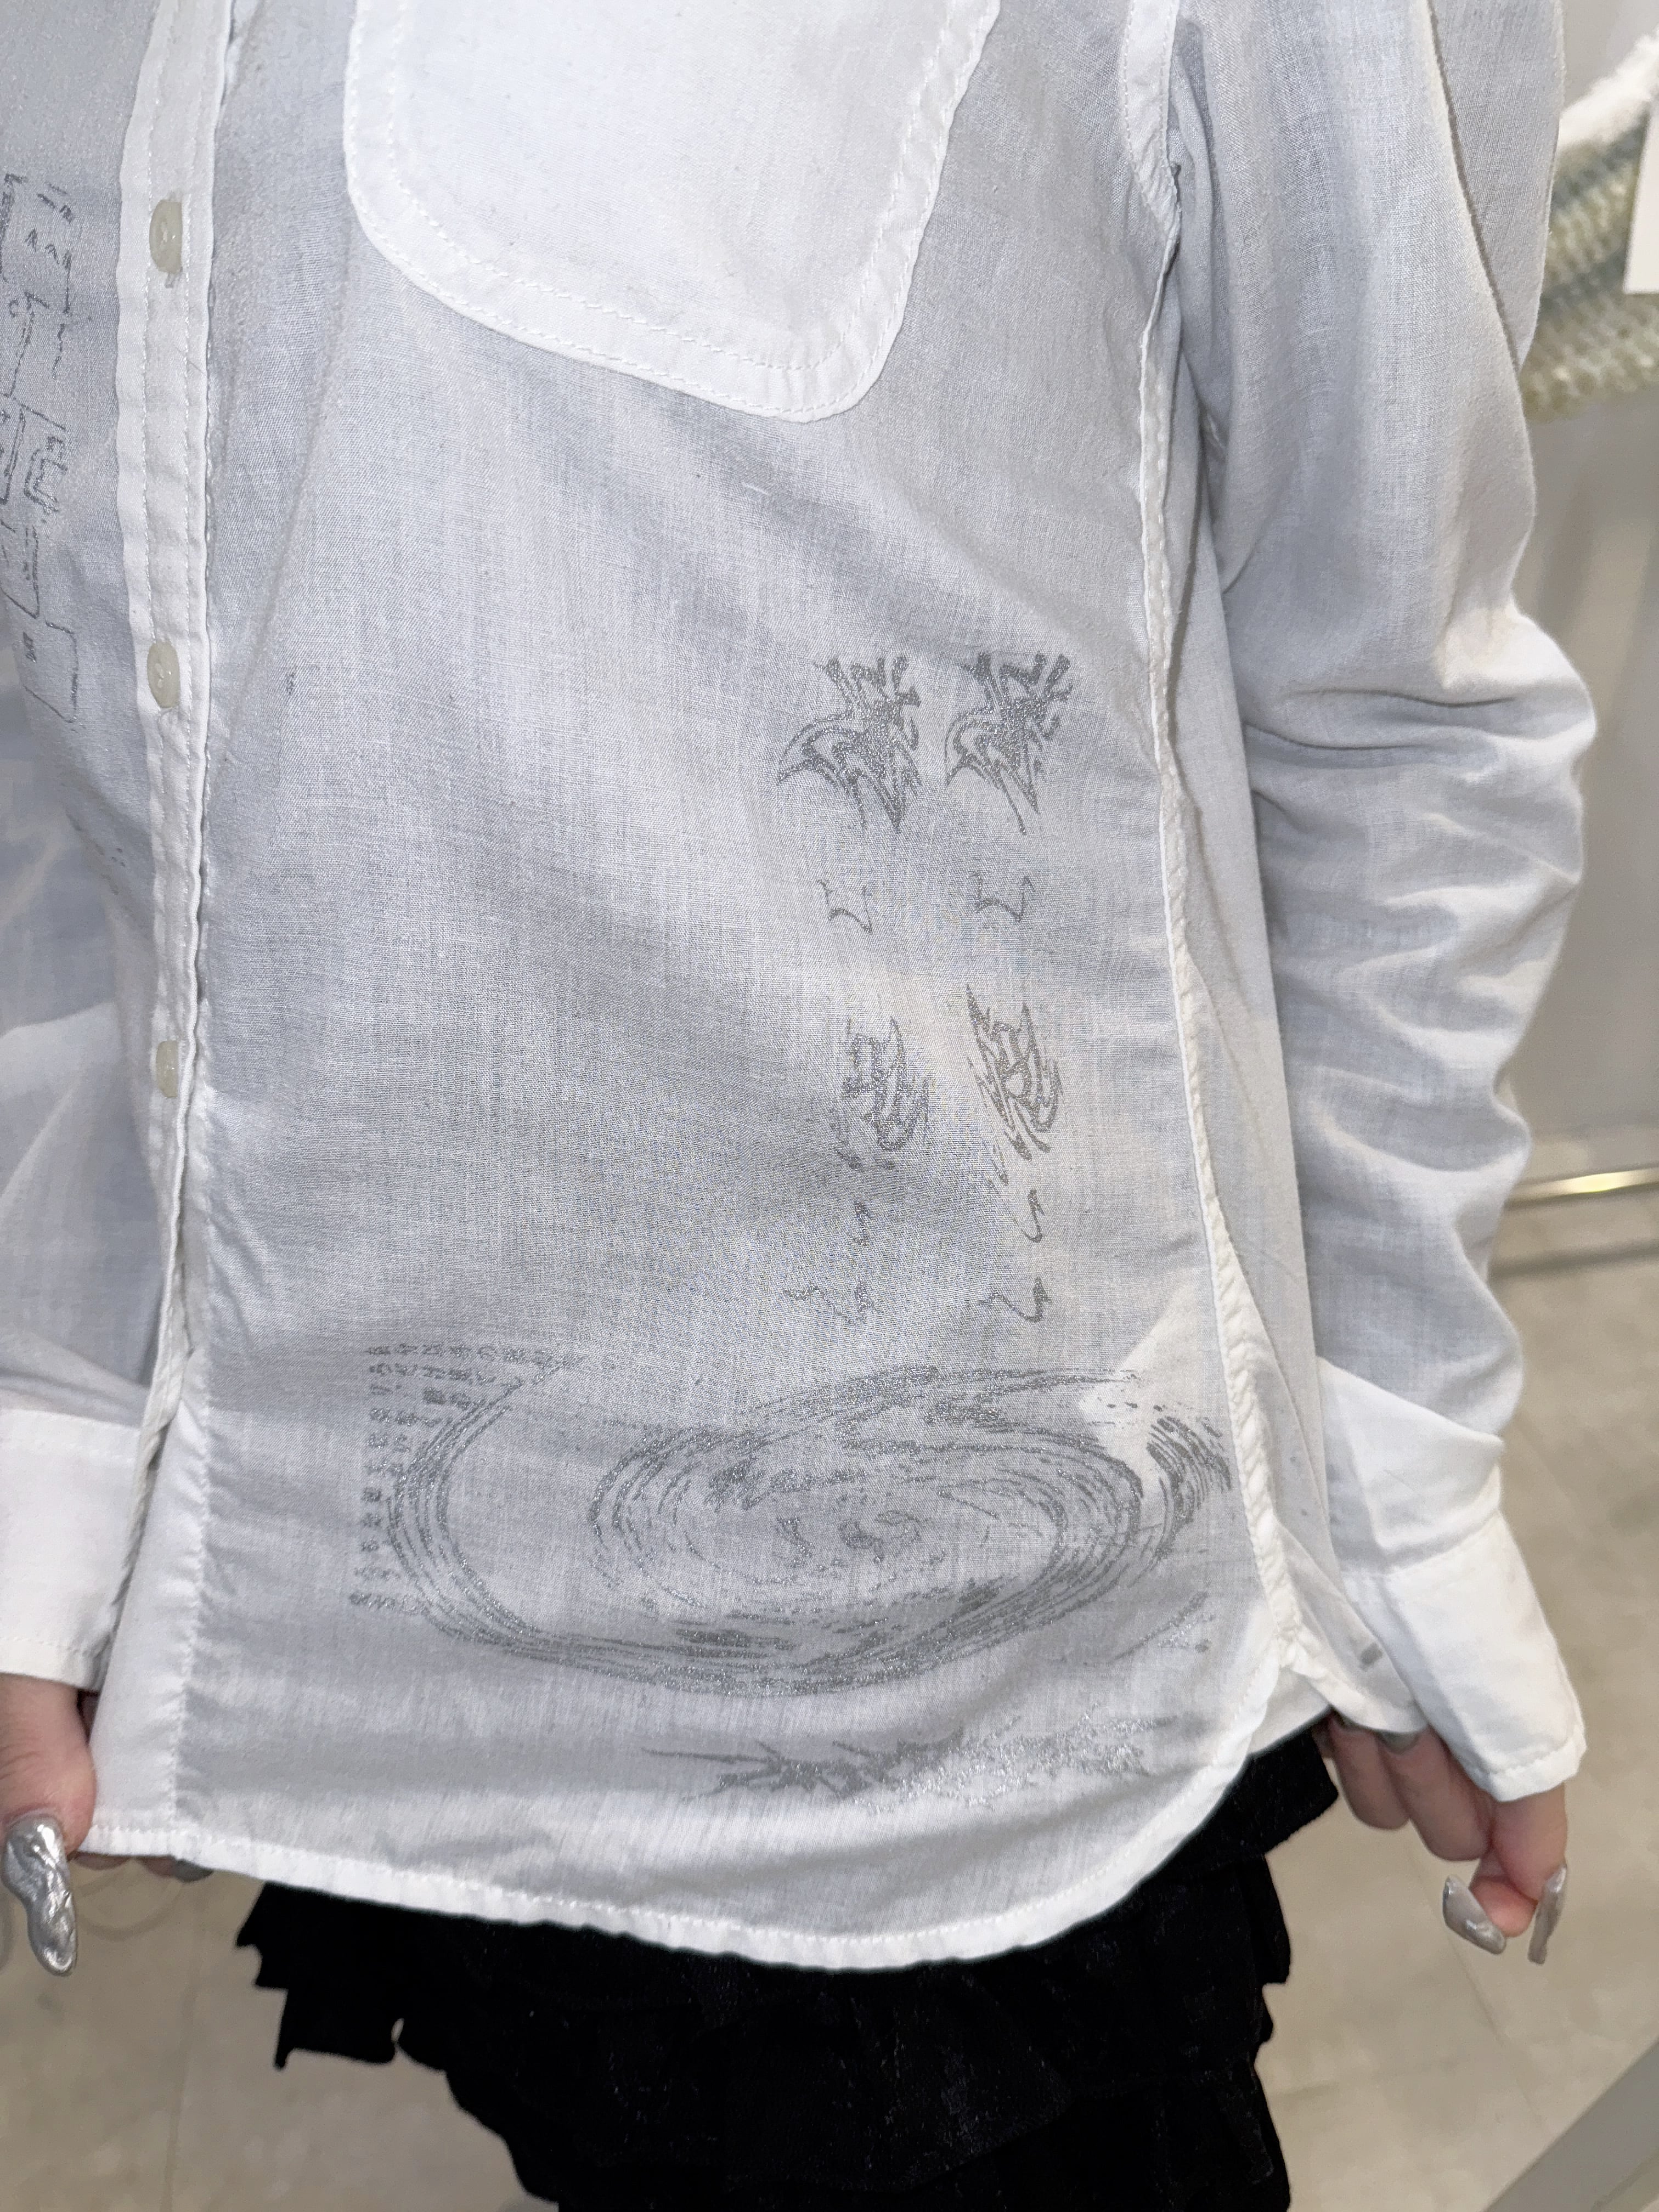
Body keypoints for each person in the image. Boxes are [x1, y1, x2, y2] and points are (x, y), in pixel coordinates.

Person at [0, 0, 1586, 2202]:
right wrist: (59, 1447)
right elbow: (77, 710)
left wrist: (1393, 1465)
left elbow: (1387, 676)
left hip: (935, 1697)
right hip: (368, 1578)